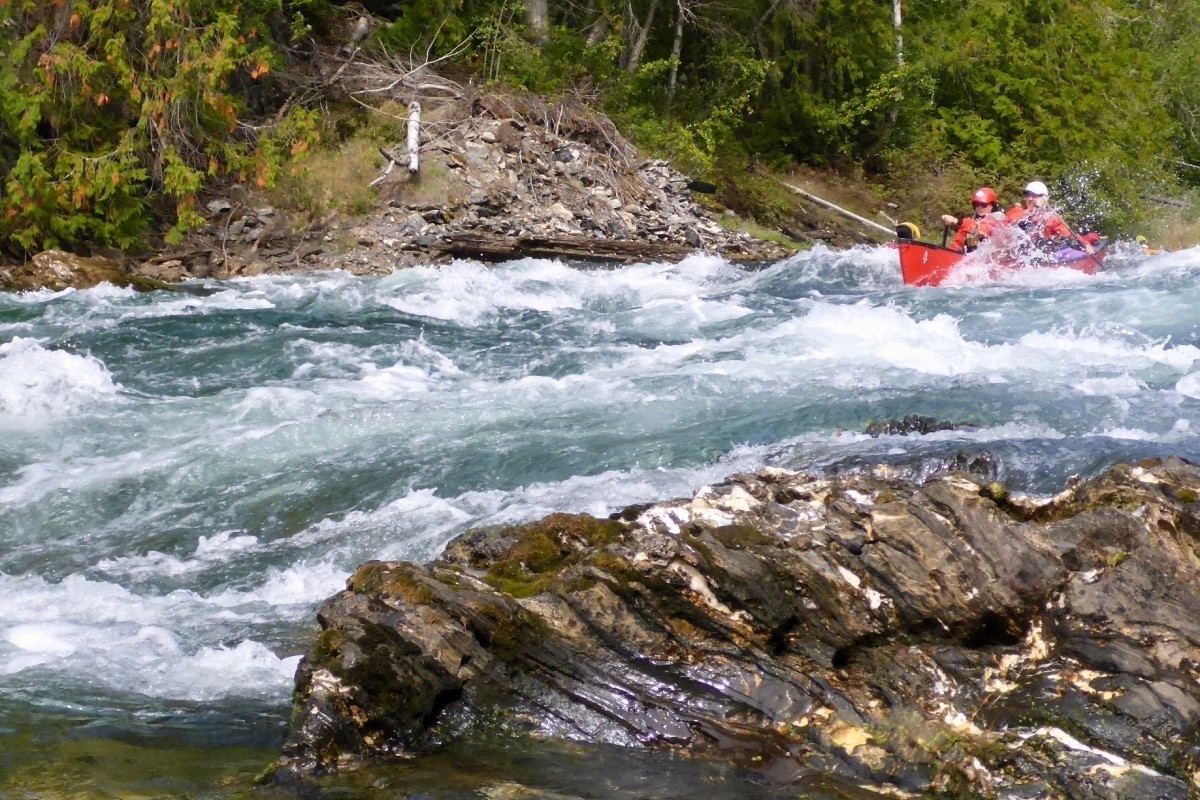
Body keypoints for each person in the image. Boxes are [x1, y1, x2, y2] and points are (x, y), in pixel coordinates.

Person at [1006, 181, 1094, 255]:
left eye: (1034, 195)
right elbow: (1009, 223)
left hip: (1040, 254)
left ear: (1044, 199)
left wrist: (1086, 245)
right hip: (1020, 252)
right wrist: (1029, 211)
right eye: (1028, 195)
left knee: (1066, 242)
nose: (1030, 199)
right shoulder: (1018, 211)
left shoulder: (1051, 218)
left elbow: (1070, 235)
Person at [940, 187, 1004, 253]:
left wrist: (957, 221)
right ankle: (952, 253)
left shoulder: (998, 217)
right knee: (965, 233)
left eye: (984, 205)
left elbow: (982, 228)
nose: (980, 207)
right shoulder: (974, 218)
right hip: (975, 255)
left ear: (992, 206)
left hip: (993, 255)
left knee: (969, 229)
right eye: (977, 204)